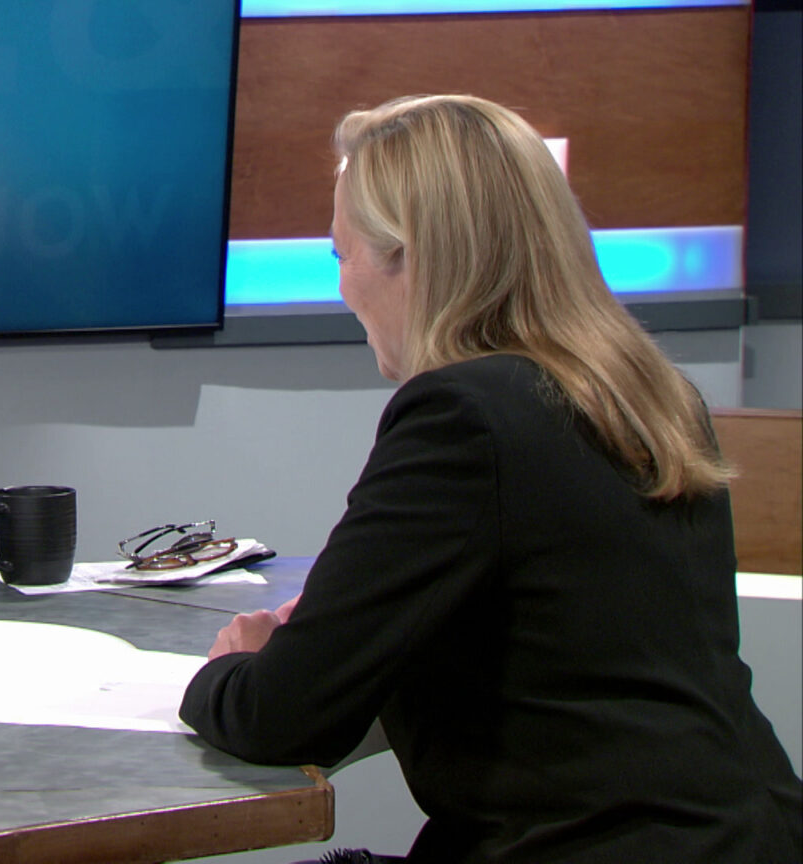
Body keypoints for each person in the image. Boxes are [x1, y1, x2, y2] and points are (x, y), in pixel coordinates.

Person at [179, 95, 802, 863]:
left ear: (411, 256)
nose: (342, 287)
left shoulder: (463, 416)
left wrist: (234, 666)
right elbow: (576, 647)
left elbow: (282, 718)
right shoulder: (650, 395)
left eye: (343, 256)